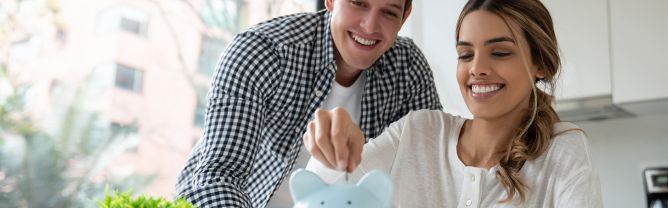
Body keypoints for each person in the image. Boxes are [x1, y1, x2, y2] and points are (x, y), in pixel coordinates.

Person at [304, 0, 603, 207]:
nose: (477, 69)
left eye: (499, 53)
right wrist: (331, 147)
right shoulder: (419, 131)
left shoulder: (562, 149)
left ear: (539, 63)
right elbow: (329, 191)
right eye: (465, 55)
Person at [174, 0, 442, 207]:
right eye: (358, 3)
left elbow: (431, 175)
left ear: (404, 17)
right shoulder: (263, 52)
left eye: (389, 12)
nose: (370, 26)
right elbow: (217, 178)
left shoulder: (408, 70)